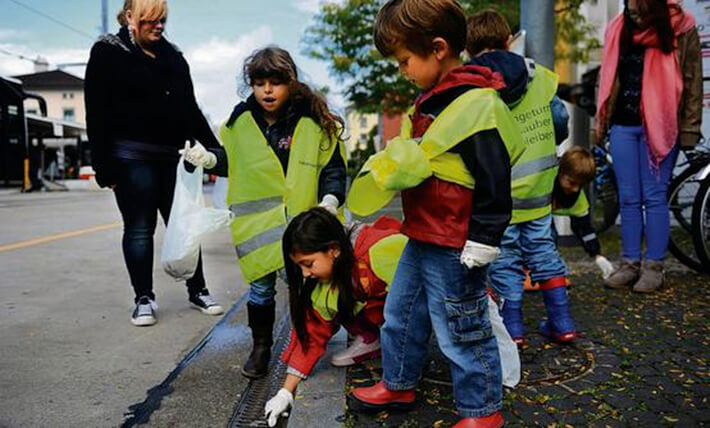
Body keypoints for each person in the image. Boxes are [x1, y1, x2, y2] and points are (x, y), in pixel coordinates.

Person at [346, 1, 522, 425]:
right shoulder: (431, 101)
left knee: (463, 326)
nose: (402, 70)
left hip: (456, 242)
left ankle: (483, 411)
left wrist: (484, 240)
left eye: (405, 60)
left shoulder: (477, 105)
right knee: (400, 313)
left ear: (439, 48)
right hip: (423, 233)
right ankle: (399, 382)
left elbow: (493, 181)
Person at [181, 46, 347, 379]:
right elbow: (235, 162)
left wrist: (330, 199)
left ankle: (307, 342)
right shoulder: (241, 122)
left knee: (305, 289)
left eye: (275, 82)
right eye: (259, 83)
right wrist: (210, 159)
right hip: (257, 227)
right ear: (250, 86)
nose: (267, 90)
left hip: (299, 226)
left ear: (291, 82)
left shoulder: (312, 122)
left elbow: (332, 167)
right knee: (260, 290)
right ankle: (261, 348)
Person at [84, 0, 224, 327]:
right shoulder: (108, 52)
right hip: (131, 159)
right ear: (130, 17)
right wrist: (104, 168)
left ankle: (198, 289)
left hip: (174, 158)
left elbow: (190, 109)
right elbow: (97, 113)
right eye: (150, 21)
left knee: (185, 226)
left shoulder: (174, 57)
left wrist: (216, 151)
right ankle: (143, 298)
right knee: (138, 229)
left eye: (162, 20)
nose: (158, 27)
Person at [465, 8, 576, 347]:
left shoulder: (471, 84)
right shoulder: (539, 76)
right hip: (540, 191)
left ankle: (513, 331)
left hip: (499, 195)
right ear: (508, 41)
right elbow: (559, 121)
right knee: (543, 252)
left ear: (468, 50)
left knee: (507, 261)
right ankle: (563, 323)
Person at [262, 209, 407, 427]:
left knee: (403, 311)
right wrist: (285, 392)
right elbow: (312, 334)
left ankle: (403, 374)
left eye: (308, 264)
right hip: (391, 319)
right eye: (299, 266)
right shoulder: (324, 285)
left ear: (334, 250)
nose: (304, 274)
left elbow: (425, 300)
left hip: (421, 314)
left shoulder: (383, 249)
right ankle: (373, 341)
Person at [597, 0, 701, 293]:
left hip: (662, 125)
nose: (635, 17)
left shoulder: (681, 27)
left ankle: (654, 267)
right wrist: (602, 121)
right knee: (629, 198)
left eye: (641, 11)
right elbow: (608, 77)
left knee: (654, 197)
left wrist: (690, 128)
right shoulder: (618, 28)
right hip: (622, 124)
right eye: (631, 10)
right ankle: (629, 264)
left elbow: (693, 81)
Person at [552, 147, 615, 279]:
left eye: (580, 185)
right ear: (560, 172)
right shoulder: (545, 183)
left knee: (551, 237)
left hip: (545, 214)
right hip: (525, 213)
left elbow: (584, 229)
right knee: (547, 234)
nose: (575, 189)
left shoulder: (578, 199)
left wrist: (597, 255)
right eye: (572, 183)